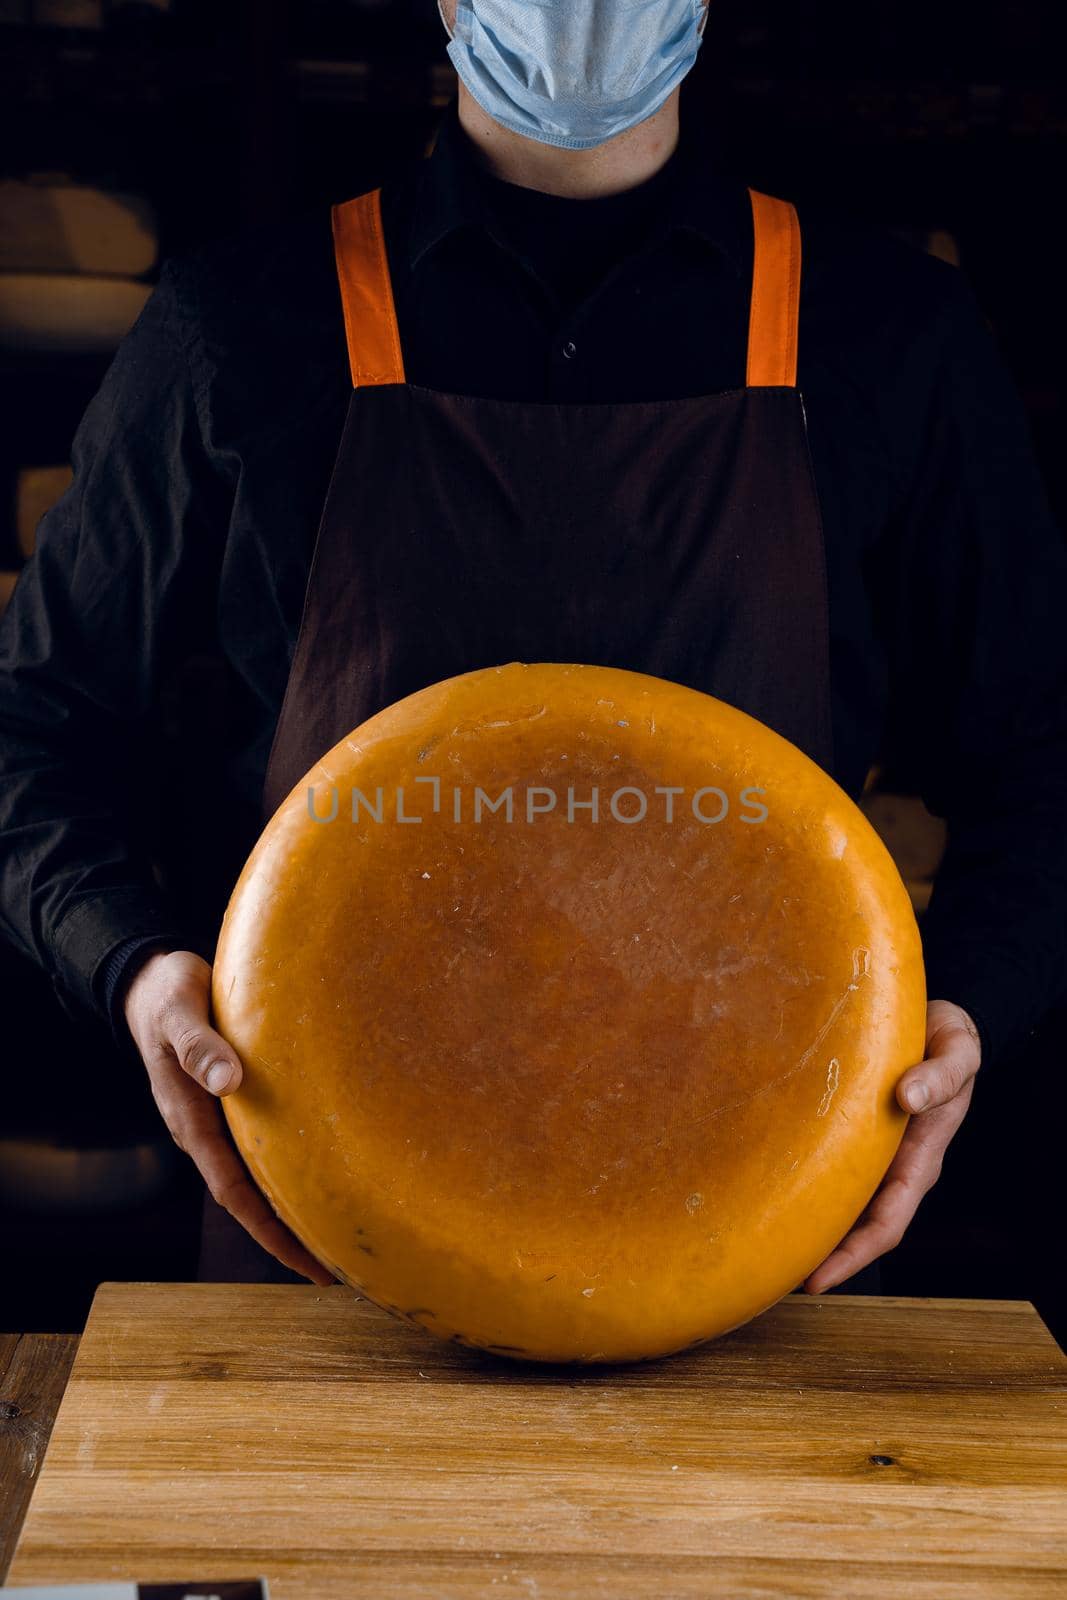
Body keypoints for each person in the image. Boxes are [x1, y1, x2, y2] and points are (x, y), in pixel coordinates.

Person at [1, 0, 1065, 1294]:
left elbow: (1045, 755)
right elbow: (31, 730)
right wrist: (133, 967)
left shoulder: (889, 334)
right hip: (335, 1241)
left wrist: (968, 1007)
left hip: (763, 1220)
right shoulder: (240, 326)